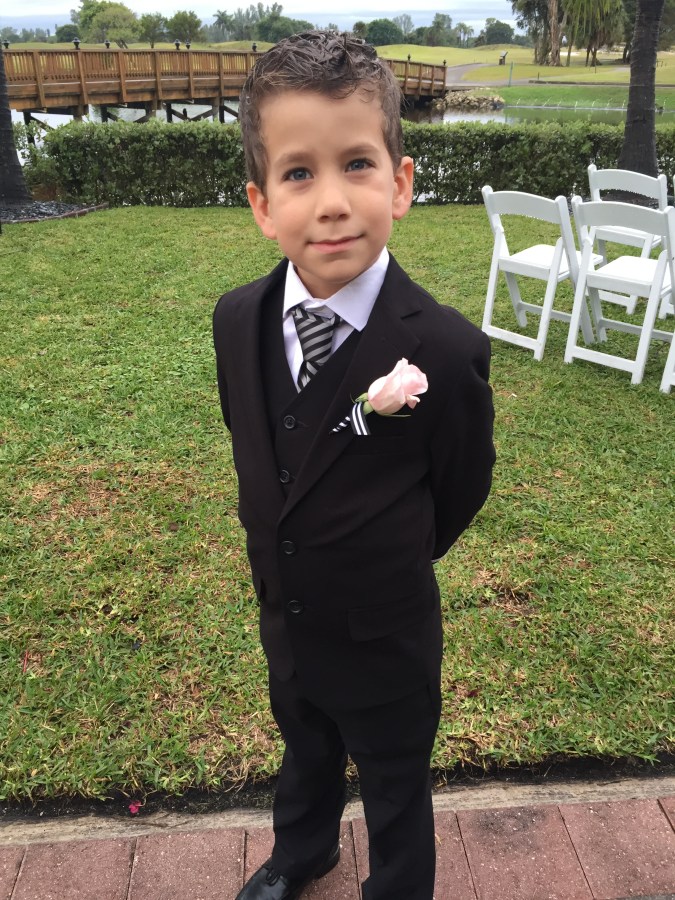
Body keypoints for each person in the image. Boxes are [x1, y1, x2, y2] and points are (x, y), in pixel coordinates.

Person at [212, 31, 495, 900]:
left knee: (393, 778)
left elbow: (460, 483)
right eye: (299, 173)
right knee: (303, 748)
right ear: (262, 204)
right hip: (287, 615)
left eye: (358, 165)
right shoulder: (237, 319)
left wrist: (394, 547)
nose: (331, 203)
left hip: (385, 631)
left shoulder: (443, 348)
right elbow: (252, 436)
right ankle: (303, 852)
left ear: (400, 184)